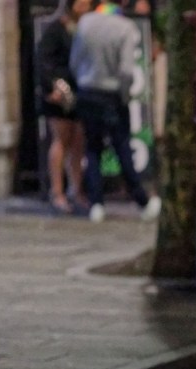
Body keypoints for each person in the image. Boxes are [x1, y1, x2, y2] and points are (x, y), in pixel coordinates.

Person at [69, 0, 161, 223]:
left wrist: (83, 80)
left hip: (87, 91)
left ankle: (96, 204)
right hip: (112, 96)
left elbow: (74, 61)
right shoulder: (125, 27)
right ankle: (142, 200)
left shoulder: (86, 23)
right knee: (122, 147)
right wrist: (125, 94)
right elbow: (127, 70)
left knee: (92, 149)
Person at [36, 0, 92, 214]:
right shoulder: (56, 29)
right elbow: (43, 60)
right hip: (60, 90)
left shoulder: (84, 29)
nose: (85, 8)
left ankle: (76, 189)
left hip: (80, 89)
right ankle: (57, 191)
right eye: (81, 4)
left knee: (78, 141)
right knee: (61, 139)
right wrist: (51, 86)